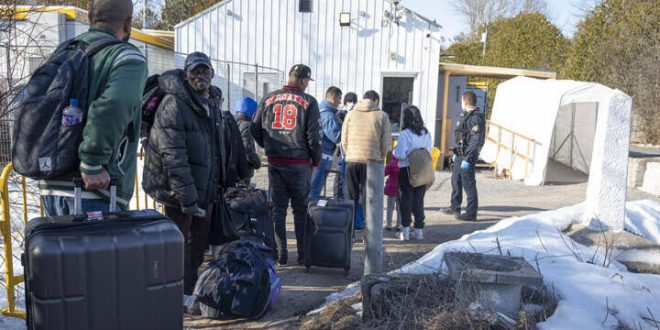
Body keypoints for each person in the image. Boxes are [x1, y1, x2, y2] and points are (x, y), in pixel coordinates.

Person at [142, 52, 250, 305]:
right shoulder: (174, 104)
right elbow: (173, 157)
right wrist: (188, 198)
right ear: (186, 74)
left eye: (205, 71)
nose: (200, 76)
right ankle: (171, 296)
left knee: (197, 247)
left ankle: (186, 293)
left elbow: (215, 149)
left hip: (206, 190)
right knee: (177, 248)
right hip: (179, 193)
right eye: (195, 71)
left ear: (212, 74)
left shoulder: (211, 103)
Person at [40, 0, 147, 215]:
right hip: (95, 188)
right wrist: (92, 162)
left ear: (90, 18)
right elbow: (114, 104)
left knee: (61, 249)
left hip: (52, 186)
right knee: (100, 249)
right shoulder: (127, 57)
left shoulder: (64, 51)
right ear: (128, 24)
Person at [251, 64, 321, 266]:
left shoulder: (268, 98)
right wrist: (315, 160)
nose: (307, 84)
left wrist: (269, 145)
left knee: (278, 211)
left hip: (275, 163)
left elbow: (254, 129)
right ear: (302, 80)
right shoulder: (309, 102)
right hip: (299, 164)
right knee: (300, 210)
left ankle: (280, 254)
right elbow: (313, 137)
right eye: (307, 80)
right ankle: (301, 255)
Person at [341, 91, 391, 226]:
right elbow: (386, 141)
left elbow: (343, 139)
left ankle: (349, 233)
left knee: (351, 198)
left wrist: (349, 153)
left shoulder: (351, 114)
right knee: (369, 199)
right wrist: (380, 156)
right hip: (371, 162)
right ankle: (369, 234)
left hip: (351, 160)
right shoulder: (382, 115)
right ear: (376, 101)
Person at [442, 91, 485, 221]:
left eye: (461, 101)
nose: (461, 103)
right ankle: (455, 207)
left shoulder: (476, 118)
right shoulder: (466, 116)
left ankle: (471, 213)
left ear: (465, 102)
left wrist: (467, 159)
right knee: (456, 180)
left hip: (468, 156)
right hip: (461, 153)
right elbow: (462, 137)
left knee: (469, 184)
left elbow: (475, 141)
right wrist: (457, 154)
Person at [393, 106, 433, 240]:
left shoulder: (405, 134)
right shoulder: (426, 133)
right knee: (418, 201)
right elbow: (428, 151)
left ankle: (405, 231)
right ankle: (418, 231)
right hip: (422, 169)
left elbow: (400, 154)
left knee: (406, 201)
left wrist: (393, 151)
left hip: (407, 170)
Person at [309, 86, 342, 199]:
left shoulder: (318, 109)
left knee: (313, 185)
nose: (340, 102)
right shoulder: (327, 114)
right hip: (323, 155)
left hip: (317, 153)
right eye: (339, 99)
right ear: (333, 98)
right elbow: (336, 136)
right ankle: (310, 211)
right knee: (315, 186)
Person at [332, 92, 358, 199]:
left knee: (346, 177)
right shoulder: (340, 114)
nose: (351, 104)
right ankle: (337, 196)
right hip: (340, 149)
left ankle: (344, 197)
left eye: (353, 101)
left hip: (351, 150)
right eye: (349, 101)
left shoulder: (356, 115)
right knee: (339, 175)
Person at [234, 97, 262, 181]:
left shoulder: (230, 121)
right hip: (242, 168)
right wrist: (257, 163)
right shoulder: (246, 125)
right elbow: (247, 148)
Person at [384, 153, 401, 231]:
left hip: (392, 188)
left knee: (390, 207)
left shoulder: (392, 164)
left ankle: (389, 224)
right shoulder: (405, 163)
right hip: (402, 188)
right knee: (400, 208)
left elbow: (384, 173)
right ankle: (399, 225)